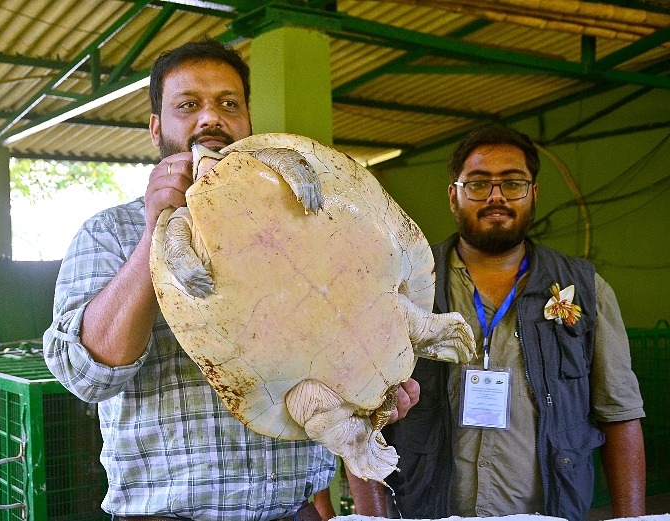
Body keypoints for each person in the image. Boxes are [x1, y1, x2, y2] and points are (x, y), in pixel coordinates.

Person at [43, 38, 418, 521]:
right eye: (188, 105)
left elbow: (340, 345)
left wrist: (375, 392)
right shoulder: (109, 233)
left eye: (228, 104)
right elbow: (86, 375)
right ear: (156, 127)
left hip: (296, 512)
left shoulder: (304, 222)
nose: (209, 119)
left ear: (247, 122)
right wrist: (156, 232)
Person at [379, 125, 646, 521]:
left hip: (550, 513)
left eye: (512, 183)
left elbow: (620, 414)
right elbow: (363, 419)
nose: (496, 197)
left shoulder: (586, 290)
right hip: (428, 511)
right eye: (478, 184)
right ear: (454, 196)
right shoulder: (405, 285)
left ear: (533, 193)